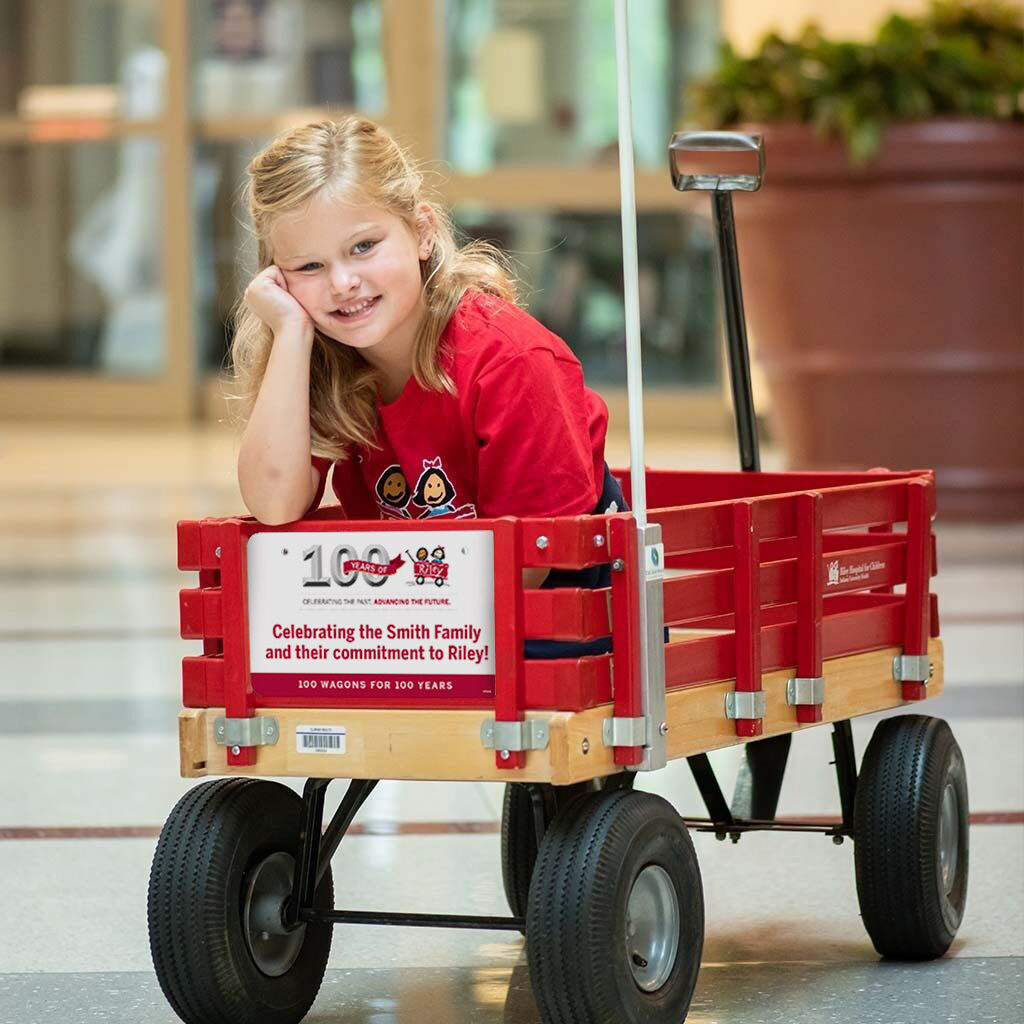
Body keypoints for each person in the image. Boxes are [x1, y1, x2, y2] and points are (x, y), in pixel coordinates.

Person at [232, 116, 624, 652]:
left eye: (364, 246)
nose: (342, 283)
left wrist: (395, 625)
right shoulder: (327, 362)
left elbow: (532, 563)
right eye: (308, 265)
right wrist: (292, 331)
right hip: (425, 619)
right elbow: (274, 503)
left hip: (552, 612)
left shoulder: (510, 359)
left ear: (421, 232)